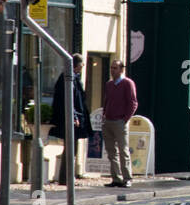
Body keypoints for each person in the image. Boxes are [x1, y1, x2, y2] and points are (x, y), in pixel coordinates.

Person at [50, 54, 93, 185]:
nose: (83, 66)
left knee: (71, 148)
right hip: (71, 118)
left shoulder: (73, 77)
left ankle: (66, 178)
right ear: (77, 65)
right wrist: (74, 116)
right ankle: (65, 178)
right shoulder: (68, 78)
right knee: (70, 148)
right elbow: (69, 99)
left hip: (75, 117)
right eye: (82, 64)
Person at [101, 58, 138, 188]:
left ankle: (127, 178)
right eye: (111, 67)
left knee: (123, 151)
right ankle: (116, 178)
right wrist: (104, 114)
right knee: (111, 152)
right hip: (108, 121)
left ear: (121, 69)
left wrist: (125, 119)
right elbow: (107, 100)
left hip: (120, 122)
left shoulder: (128, 83)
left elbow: (133, 103)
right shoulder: (109, 84)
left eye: (115, 68)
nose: (112, 70)